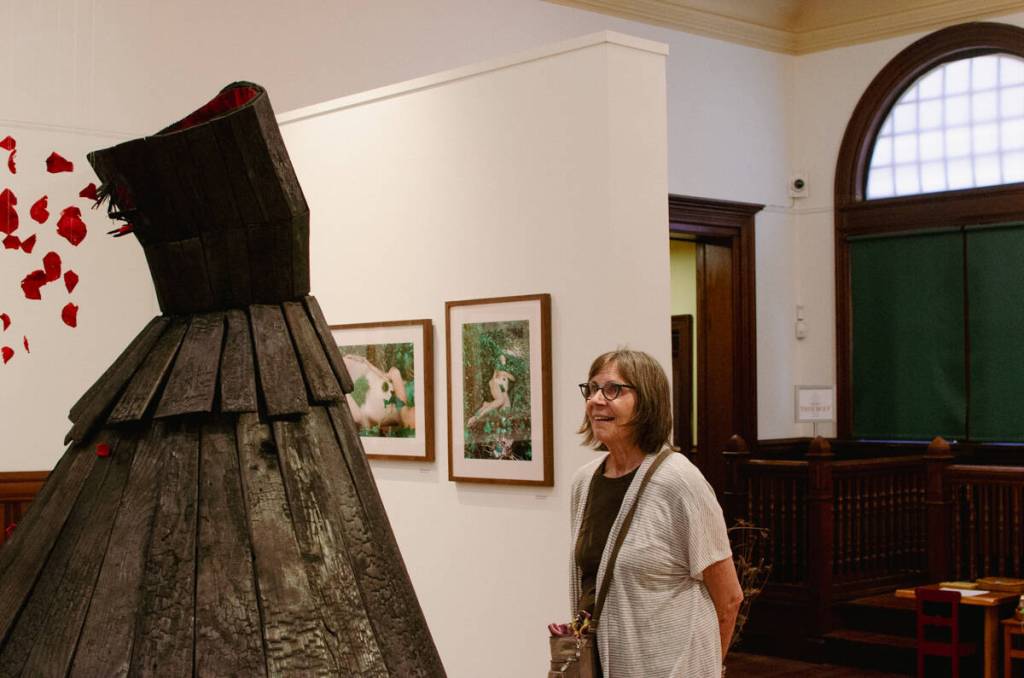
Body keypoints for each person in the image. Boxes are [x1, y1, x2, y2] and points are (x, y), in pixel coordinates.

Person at [569, 349, 743, 677]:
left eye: (613, 389)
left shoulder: (680, 481)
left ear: (647, 402)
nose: (595, 400)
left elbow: (729, 598)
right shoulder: (585, 482)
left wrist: (705, 668)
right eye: (591, 389)